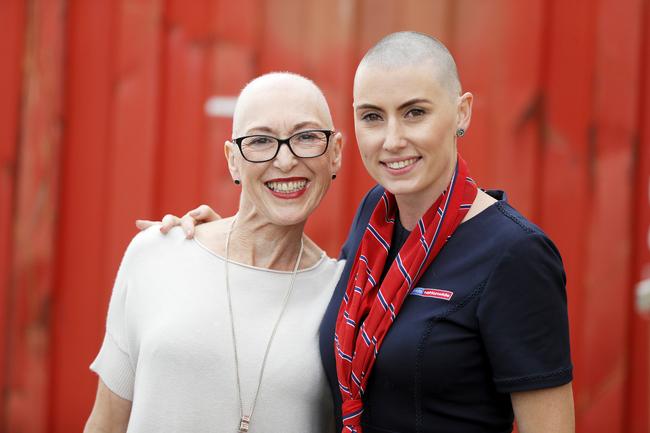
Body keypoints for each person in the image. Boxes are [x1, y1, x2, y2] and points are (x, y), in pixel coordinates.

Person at [142, 32, 575, 433]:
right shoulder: (377, 217)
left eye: (415, 113)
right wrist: (231, 239)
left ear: (461, 112)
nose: (392, 140)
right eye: (373, 116)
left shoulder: (515, 254)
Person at [84, 72, 344, 433]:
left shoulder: (345, 295)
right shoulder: (158, 254)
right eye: (260, 140)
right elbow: (106, 424)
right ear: (233, 159)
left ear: (335, 154)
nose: (285, 161)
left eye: (306, 137)